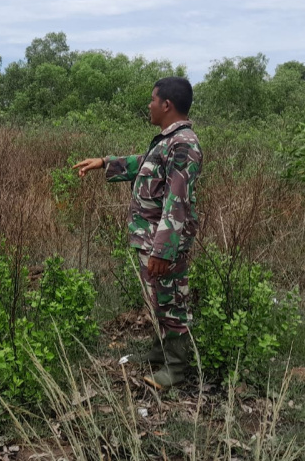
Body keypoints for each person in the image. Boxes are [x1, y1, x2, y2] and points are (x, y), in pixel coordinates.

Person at [73, 77, 202, 390]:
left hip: (163, 242)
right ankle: (160, 353)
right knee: (158, 299)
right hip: (152, 239)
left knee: (171, 301)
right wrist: (104, 162)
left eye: (153, 99)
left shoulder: (183, 144)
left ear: (167, 105)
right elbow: (145, 165)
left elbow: (177, 200)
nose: (149, 105)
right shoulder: (168, 140)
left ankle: (176, 368)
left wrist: (163, 250)